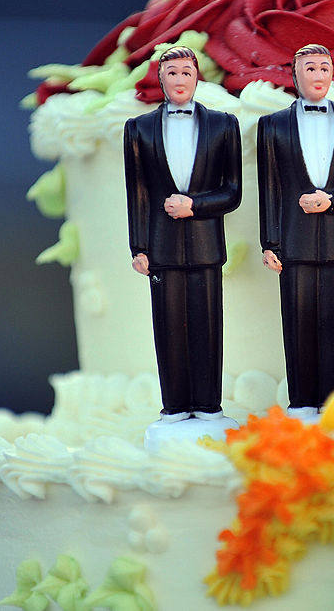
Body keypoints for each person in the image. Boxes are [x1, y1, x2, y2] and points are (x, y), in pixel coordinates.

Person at [123, 46, 242, 425]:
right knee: (169, 325)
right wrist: (139, 246)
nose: (179, 80)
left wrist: (195, 205)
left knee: (208, 324)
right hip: (161, 246)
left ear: (197, 78)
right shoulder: (138, 129)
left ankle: (208, 403)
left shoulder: (224, 125)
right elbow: (137, 194)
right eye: (172, 73)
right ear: (161, 79)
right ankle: (174, 404)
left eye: (186, 73)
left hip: (207, 244)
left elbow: (233, 192)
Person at [257, 44, 334, 420]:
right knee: (298, 322)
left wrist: (332, 200)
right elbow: (269, 189)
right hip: (292, 241)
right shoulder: (272, 126)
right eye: (310, 68)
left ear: (333, 73)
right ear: (295, 75)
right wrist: (269, 242)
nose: (318, 74)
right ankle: (302, 401)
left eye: (324, 67)